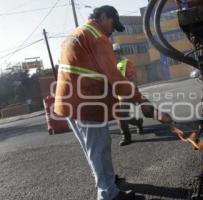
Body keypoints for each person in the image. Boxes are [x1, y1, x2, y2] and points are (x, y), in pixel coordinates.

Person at [54, 5, 173, 200]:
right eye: (112, 24)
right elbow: (115, 78)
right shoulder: (97, 36)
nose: (111, 32)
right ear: (102, 16)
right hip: (87, 102)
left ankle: (107, 181)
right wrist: (145, 104)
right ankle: (108, 194)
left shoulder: (77, 33)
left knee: (91, 149)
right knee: (99, 147)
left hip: (69, 101)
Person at [113, 43, 144, 146]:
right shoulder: (110, 65)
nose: (114, 54)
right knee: (123, 116)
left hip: (126, 92)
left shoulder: (126, 63)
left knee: (121, 115)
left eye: (116, 52)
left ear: (120, 52)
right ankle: (138, 122)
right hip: (115, 94)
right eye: (113, 53)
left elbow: (133, 79)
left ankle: (126, 137)